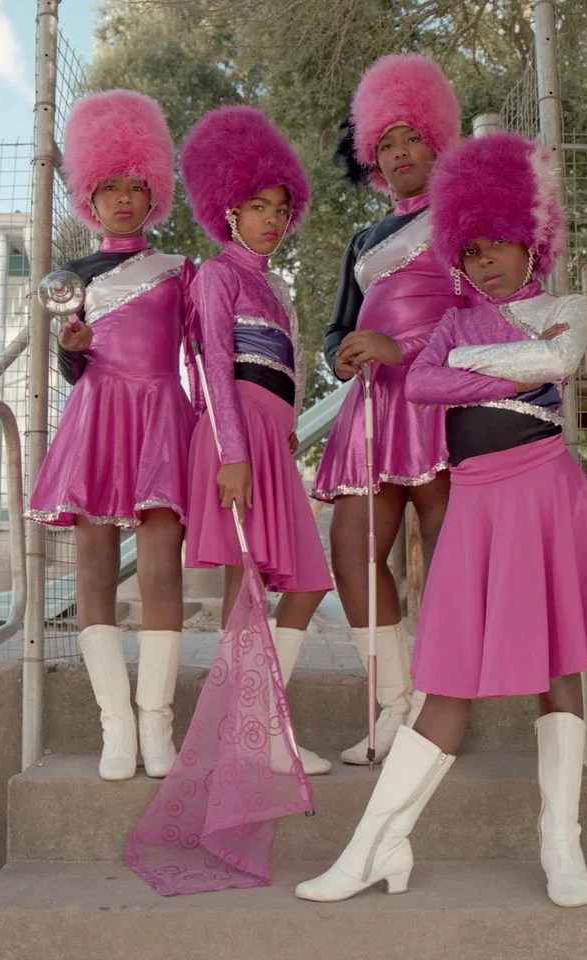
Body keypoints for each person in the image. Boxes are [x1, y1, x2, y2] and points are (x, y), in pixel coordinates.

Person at [296, 132, 587, 907]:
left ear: (529, 238)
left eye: (497, 245)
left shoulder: (564, 307)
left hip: (544, 492)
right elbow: (421, 387)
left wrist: (469, 366)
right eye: (470, 251)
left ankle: (561, 843)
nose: (485, 263)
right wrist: (502, 363)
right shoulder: (452, 323)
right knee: (446, 678)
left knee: (558, 668)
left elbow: (558, 362)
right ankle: (374, 848)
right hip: (474, 502)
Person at [26, 90, 197, 781]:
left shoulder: (179, 270)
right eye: (109, 188)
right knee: (94, 571)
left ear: (154, 193)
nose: (123, 199)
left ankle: (157, 722)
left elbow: (202, 355)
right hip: (97, 418)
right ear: (88, 198)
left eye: (136, 186)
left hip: (162, 417)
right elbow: (73, 368)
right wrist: (70, 350)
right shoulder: (70, 280)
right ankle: (116, 726)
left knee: (161, 571)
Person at [313, 54, 469, 764]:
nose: (400, 152)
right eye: (385, 144)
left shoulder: (465, 217)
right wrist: (341, 355)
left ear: (438, 141)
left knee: (446, 549)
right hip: (372, 407)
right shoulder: (363, 240)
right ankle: (393, 704)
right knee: (352, 549)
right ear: (372, 161)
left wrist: (404, 349)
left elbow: (487, 311)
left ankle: (440, 706)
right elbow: (337, 328)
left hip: (439, 395)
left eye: (412, 138)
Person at [180, 106, 335, 775]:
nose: (272, 219)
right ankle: (256, 734)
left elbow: (288, 366)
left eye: (281, 207)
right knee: (243, 587)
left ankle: (257, 721)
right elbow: (215, 364)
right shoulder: (217, 274)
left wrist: (290, 425)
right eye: (257, 207)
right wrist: (235, 456)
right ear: (229, 211)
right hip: (234, 439)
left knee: (307, 581)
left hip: (272, 442)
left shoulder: (275, 287)